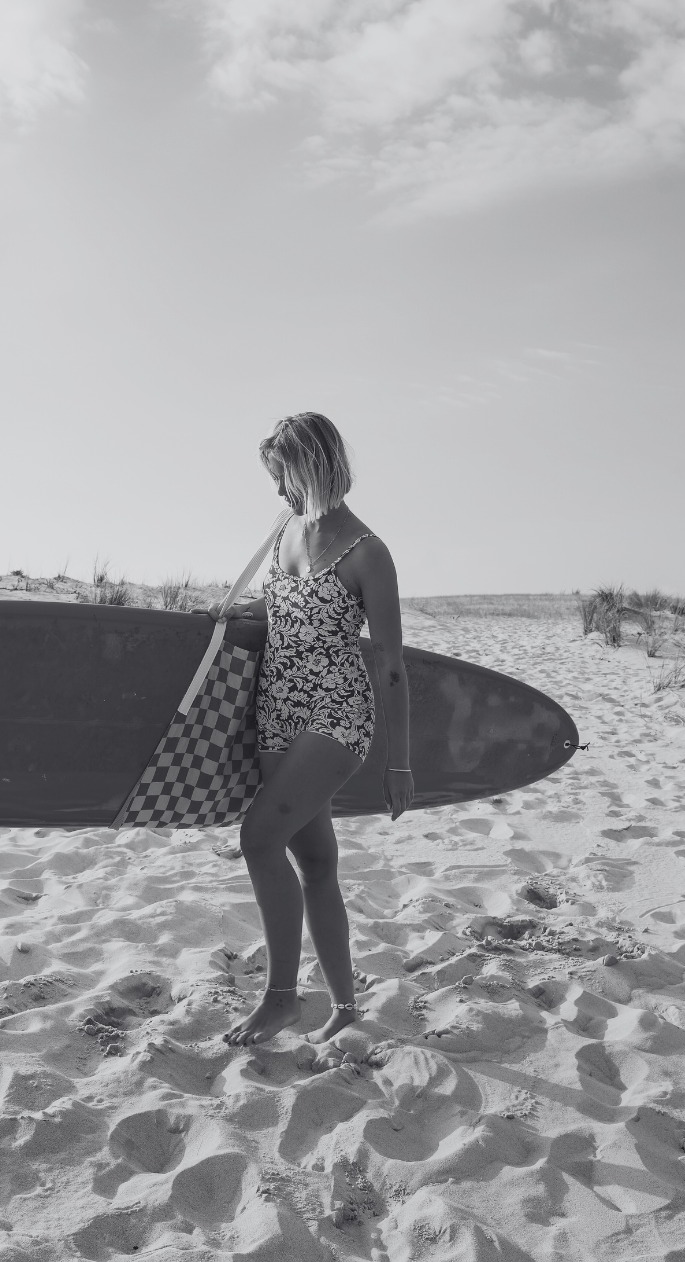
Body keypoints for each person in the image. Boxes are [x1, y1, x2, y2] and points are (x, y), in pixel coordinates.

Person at [210, 413, 413, 1047]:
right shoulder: (284, 537)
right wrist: (241, 612)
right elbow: (279, 609)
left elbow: (392, 665)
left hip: (335, 714)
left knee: (258, 837)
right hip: (277, 708)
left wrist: (398, 762)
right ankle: (347, 1007)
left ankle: (281, 999)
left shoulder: (368, 553)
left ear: (311, 468)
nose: (277, 493)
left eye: (282, 478)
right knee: (316, 862)